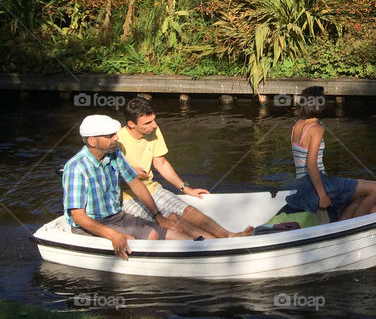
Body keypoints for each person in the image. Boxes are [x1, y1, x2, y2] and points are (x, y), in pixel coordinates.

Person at [117, 97, 253, 239]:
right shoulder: (116, 141)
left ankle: (228, 235)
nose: (155, 125)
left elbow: (160, 162)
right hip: (129, 197)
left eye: (154, 119)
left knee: (189, 210)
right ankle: (212, 243)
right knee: (173, 221)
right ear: (131, 124)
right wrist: (130, 173)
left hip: (153, 189)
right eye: (148, 122)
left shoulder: (152, 130)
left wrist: (186, 188)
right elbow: (107, 174)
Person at [62, 114, 192, 258]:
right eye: (110, 136)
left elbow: (135, 183)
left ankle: (198, 247)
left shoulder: (114, 153)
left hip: (117, 216)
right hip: (90, 225)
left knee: (169, 231)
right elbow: (79, 217)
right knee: (152, 236)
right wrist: (113, 235)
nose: (116, 138)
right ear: (93, 141)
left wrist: (158, 216)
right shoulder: (76, 168)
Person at [285, 86, 376, 221]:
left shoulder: (296, 125)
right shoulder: (316, 129)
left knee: (360, 195)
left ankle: (342, 225)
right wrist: (323, 195)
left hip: (303, 185)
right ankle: (356, 229)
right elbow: (311, 165)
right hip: (319, 184)